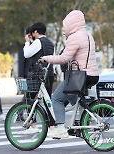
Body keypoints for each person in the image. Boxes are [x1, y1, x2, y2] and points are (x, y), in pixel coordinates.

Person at [40, 10, 99, 139]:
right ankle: (84, 121)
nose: (65, 28)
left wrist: (47, 58)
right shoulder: (89, 36)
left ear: (72, 24)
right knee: (75, 99)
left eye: (66, 25)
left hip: (79, 77)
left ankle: (61, 129)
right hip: (92, 75)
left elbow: (64, 58)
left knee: (57, 98)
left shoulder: (75, 37)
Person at [22, 22, 55, 134]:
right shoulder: (50, 43)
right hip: (49, 74)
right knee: (47, 101)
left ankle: (33, 126)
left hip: (38, 75)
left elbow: (26, 54)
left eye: (33, 33)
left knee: (29, 98)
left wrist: (27, 42)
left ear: (36, 31)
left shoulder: (38, 42)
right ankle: (51, 127)